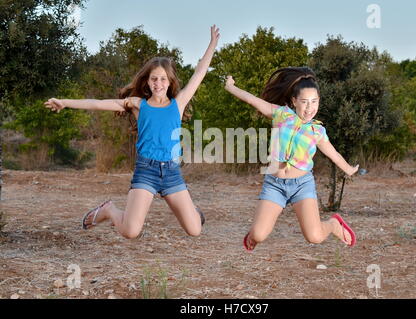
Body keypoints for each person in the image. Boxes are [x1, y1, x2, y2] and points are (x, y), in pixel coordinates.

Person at [44, 25, 220, 239]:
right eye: (154, 79)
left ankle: (191, 211)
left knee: (195, 230)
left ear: (170, 81)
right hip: (147, 171)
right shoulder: (138, 104)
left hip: (172, 172)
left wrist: (212, 43)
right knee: (130, 231)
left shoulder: (178, 103)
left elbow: (200, 72)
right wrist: (65, 102)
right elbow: (99, 104)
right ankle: (109, 210)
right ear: (147, 81)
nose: (158, 83)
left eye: (163, 79)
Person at [224, 66, 358, 251]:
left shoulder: (317, 131)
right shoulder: (281, 114)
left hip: (302, 185)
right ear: (294, 101)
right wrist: (231, 87)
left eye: (314, 102)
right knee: (258, 235)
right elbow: (252, 100)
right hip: (275, 184)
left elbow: (333, 154)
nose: (310, 108)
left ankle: (334, 225)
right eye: (304, 102)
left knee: (315, 237)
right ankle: (256, 233)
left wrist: (349, 169)